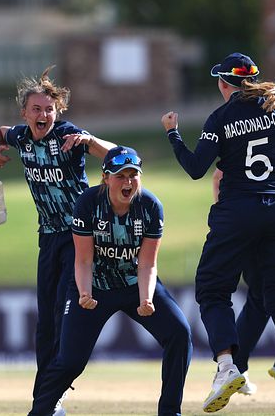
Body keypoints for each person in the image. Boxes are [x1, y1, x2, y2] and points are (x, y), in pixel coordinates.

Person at [161, 52, 275, 415]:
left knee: (212, 288)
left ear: (224, 84)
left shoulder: (220, 117)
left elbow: (195, 168)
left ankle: (227, 366)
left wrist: (173, 135)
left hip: (237, 211)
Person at [27, 146, 192, 416]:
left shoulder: (150, 207)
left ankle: (170, 412)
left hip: (133, 283)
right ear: (106, 178)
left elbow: (148, 263)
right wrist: (83, 293)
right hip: (94, 287)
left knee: (179, 333)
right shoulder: (88, 202)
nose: (128, 182)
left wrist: (147, 298)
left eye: (133, 175)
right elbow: (82, 260)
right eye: (120, 175)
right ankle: (40, 412)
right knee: (70, 362)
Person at [0, 66, 116, 412]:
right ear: (25, 113)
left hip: (80, 240)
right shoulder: (21, 136)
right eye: (36, 109)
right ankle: (44, 399)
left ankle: (52, 396)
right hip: (48, 241)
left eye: (49, 109)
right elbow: (0, 132)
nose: (43, 115)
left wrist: (90, 141)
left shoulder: (69, 136)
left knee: (63, 321)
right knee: (45, 324)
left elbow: (120, 156)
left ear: (57, 113)